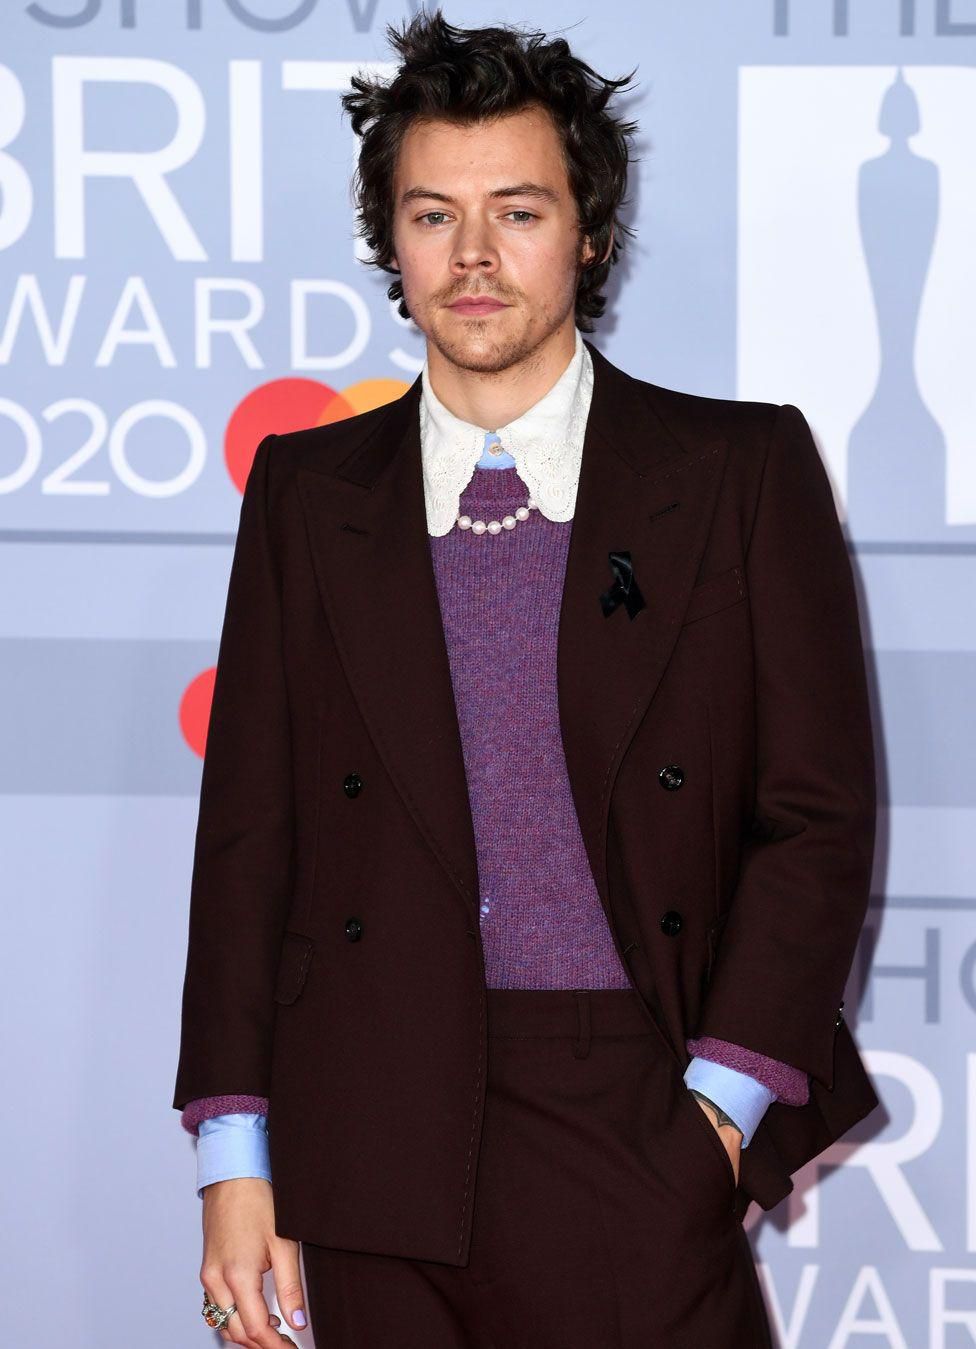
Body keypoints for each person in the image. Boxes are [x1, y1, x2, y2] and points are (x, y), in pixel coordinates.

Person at [172, 11, 878, 1347]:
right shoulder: (308, 492)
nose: (475, 257)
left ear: (588, 231)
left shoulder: (737, 472)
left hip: (637, 1105)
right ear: (392, 240)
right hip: (371, 1113)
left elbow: (816, 818)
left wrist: (720, 1110)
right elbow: (252, 833)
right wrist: (233, 1152)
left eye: (519, 211)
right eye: (433, 215)